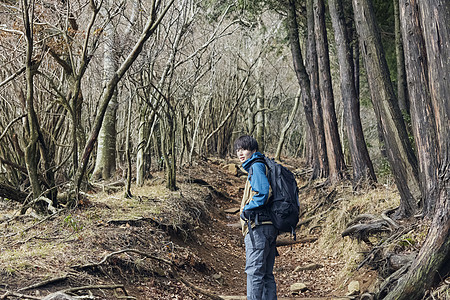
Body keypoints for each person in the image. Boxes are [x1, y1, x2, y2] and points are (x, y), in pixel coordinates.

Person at [234, 135, 278, 300]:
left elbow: (263, 192)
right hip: (269, 225)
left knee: (254, 272)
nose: (240, 153)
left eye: (244, 149)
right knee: (266, 274)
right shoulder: (262, 165)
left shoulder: (257, 166)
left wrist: (247, 209)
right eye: (238, 150)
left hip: (259, 227)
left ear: (253, 150)